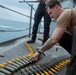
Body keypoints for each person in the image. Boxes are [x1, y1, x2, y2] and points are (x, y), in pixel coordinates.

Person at [30, 0, 76, 75]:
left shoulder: (65, 13)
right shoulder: (66, 15)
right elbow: (56, 37)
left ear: (57, 7)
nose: (50, 16)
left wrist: (40, 51)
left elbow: (54, 39)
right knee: (62, 36)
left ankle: (72, 70)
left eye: (50, 13)